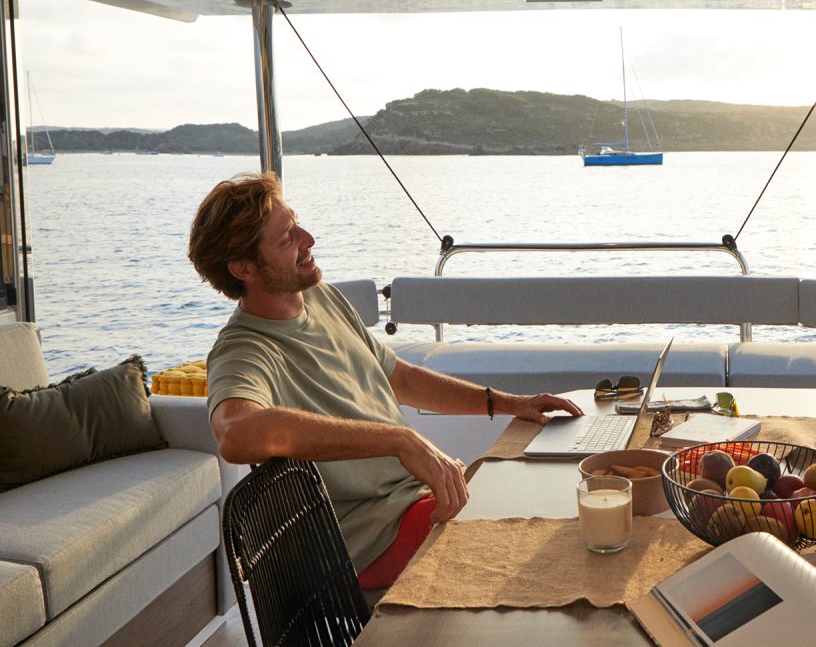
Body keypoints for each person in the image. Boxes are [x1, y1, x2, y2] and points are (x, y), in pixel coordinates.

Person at [188, 172, 583, 587]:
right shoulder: (244, 350)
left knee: (566, 495)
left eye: (297, 223)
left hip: (418, 499)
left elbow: (401, 377)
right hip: (371, 537)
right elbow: (235, 433)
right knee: (551, 546)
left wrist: (507, 403)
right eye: (287, 238)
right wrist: (397, 440)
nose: (308, 239)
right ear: (243, 267)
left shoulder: (322, 298)